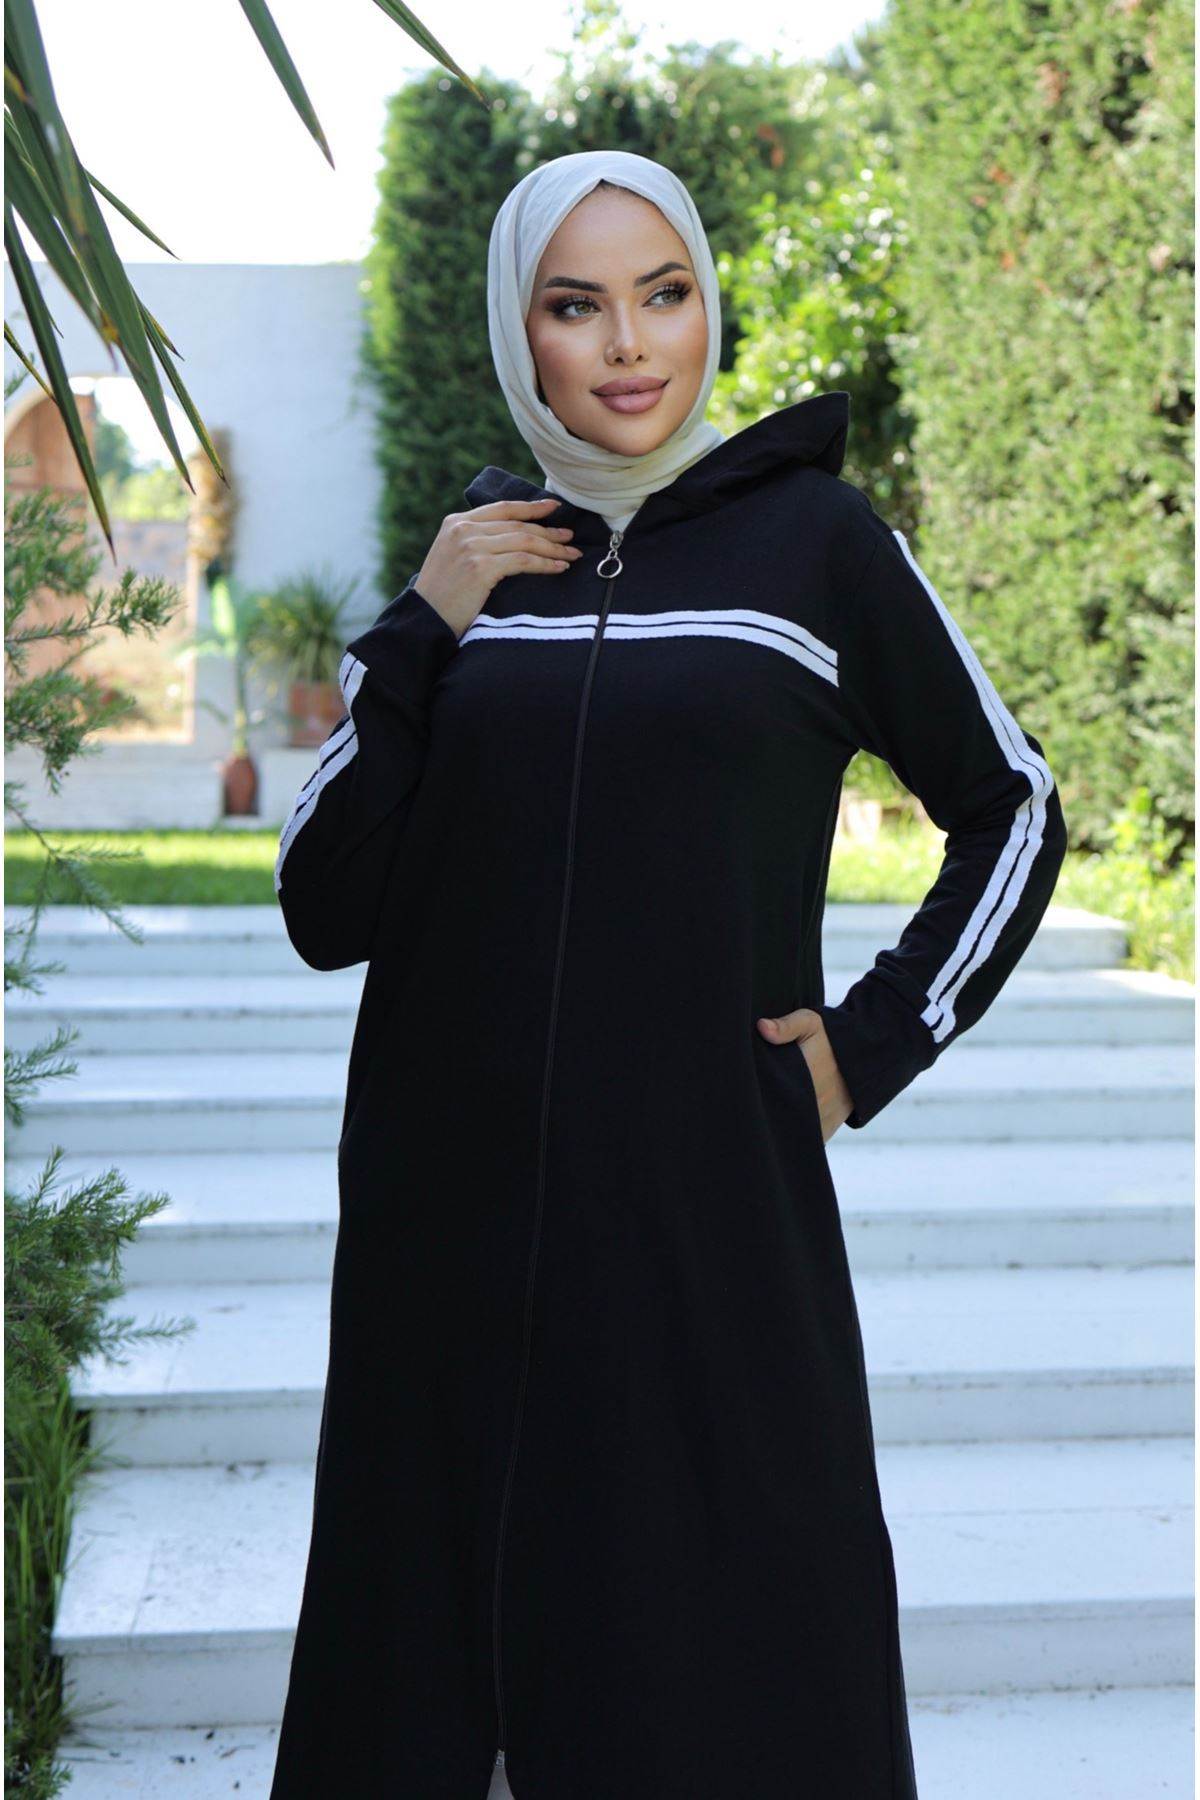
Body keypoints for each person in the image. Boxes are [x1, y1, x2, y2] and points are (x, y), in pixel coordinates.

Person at [268, 148, 1068, 1799]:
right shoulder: (480, 564)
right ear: (521, 330)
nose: (630, 346)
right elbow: (325, 901)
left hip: (705, 1204)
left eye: (665, 294)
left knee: (731, 1647)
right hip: (448, 1222)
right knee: (438, 1651)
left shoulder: (815, 545)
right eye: (577, 305)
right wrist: (422, 619)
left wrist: (869, 1043)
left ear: (708, 303)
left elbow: (1015, 803)